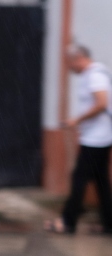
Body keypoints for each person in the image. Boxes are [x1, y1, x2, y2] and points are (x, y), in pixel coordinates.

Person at [45, 45, 112, 235]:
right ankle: (109, 224)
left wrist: (77, 120)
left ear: (78, 58)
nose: (69, 67)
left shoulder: (95, 75)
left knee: (79, 179)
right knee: (101, 182)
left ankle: (68, 222)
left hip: (97, 139)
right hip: (99, 137)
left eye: (70, 62)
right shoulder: (93, 74)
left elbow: (101, 103)